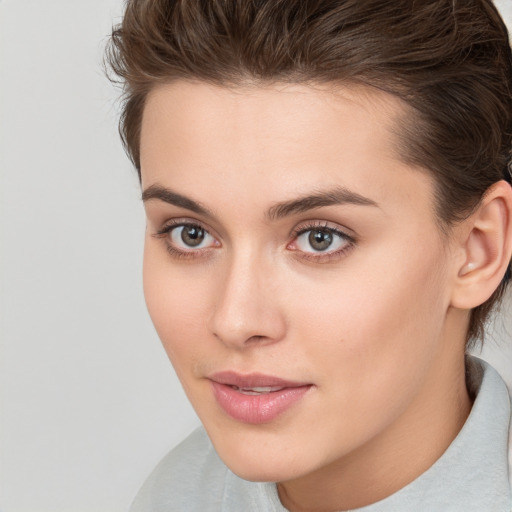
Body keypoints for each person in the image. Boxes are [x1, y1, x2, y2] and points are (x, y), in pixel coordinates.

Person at [106, 0, 512, 510]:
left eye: (321, 238)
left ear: (478, 249)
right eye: (190, 233)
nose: (235, 321)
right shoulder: (176, 492)